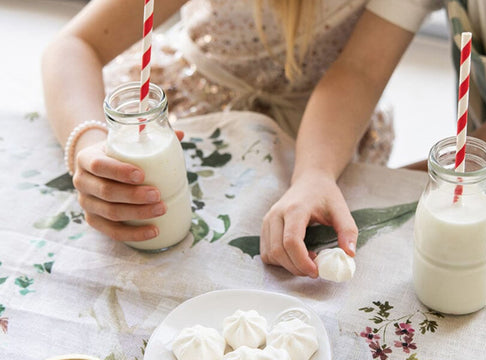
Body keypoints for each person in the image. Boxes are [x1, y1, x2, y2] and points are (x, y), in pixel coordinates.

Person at [260, 0, 486, 277]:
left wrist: (367, 194)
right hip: (478, 159)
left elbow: (480, 164)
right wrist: (313, 175)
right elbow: (360, 69)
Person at [42, 0, 392, 245]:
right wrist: (87, 144)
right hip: (189, 103)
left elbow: (358, 72)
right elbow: (74, 45)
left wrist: (315, 174)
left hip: (323, 134)